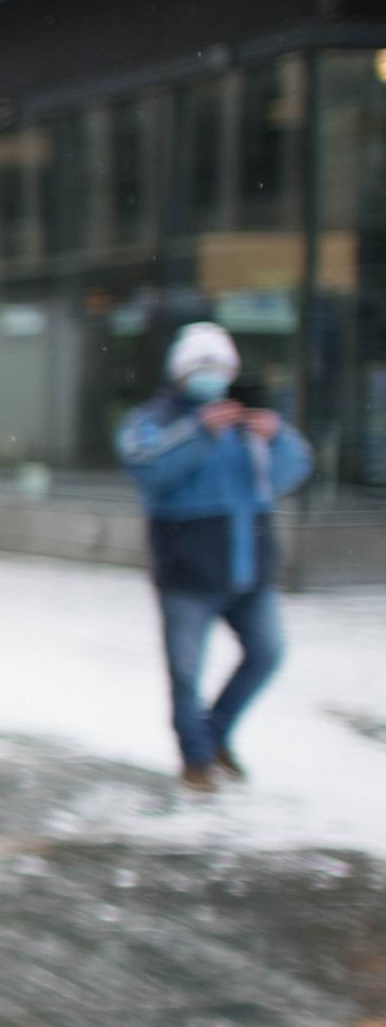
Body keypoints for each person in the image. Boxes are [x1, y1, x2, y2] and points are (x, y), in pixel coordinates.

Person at [116, 322, 312, 792]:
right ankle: (197, 760)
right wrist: (199, 432)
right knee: (186, 674)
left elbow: (294, 468)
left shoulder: (247, 422)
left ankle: (216, 734)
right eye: (202, 367)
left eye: (220, 368)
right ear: (181, 371)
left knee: (266, 654)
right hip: (188, 572)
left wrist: (277, 438)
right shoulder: (156, 419)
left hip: (249, 571)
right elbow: (148, 469)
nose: (212, 377)